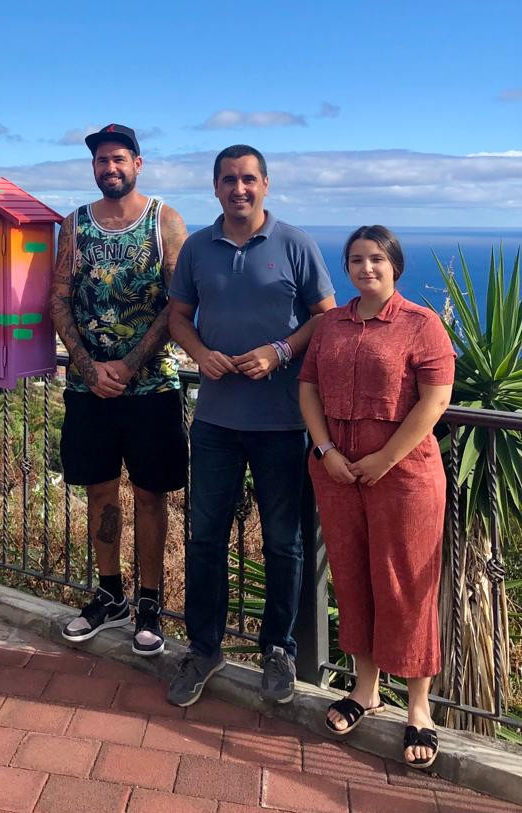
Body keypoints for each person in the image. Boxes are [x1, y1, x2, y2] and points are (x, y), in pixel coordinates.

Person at [167, 145, 336, 704]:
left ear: (265, 184)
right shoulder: (197, 247)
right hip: (215, 420)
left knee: (283, 544)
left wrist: (280, 352)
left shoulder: (295, 244)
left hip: (283, 423)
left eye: (248, 180)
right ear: (214, 187)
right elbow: (178, 318)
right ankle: (205, 648)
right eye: (228, 180)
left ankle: (278, 650)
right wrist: (199, 354)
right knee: (205, 537)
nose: (238, 189)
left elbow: (326, 315)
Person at [299, 225, 453, 769]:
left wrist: (383, 461)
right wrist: (324, 451)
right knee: (353, 575)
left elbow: (435, 401)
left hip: (404, 476)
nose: (367, 269)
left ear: (395, 266)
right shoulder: (332, 325)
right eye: (357, 260)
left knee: (408, 583)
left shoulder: (420, 324)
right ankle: (366, 689)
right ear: (347, 268)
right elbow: (309, 387)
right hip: (339, 473)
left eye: (376, 260)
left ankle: (419, 708)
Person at [49, 124, 189, 657]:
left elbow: (177, 304)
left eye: (119, 159)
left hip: (152, 387)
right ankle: (110, 595)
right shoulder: (76, 225)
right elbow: (58, 298)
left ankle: (150, 602)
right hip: (91, 391)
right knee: (100, 490)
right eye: (102, 161)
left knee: (152, 495)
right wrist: (88, 366)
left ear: (138, 162)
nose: (110, 168)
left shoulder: (165, 222)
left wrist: (128, 365)